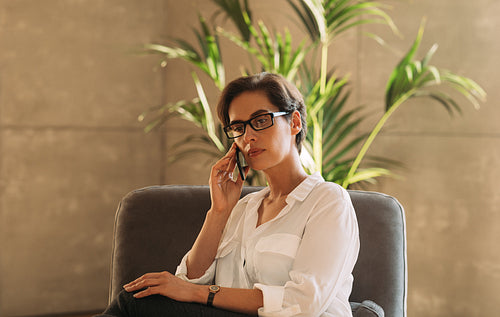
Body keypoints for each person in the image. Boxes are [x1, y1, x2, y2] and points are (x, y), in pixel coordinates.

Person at [97, 73, 360, 317]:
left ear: (294, 122)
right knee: (136, 301)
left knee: (132, 305)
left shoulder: (328, 201)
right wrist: (219, 212)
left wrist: (198, 293)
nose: (249, 137)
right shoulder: (245, 208)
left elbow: (302, 304)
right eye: (238, 127)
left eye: (260, 121)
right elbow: (187, 283)